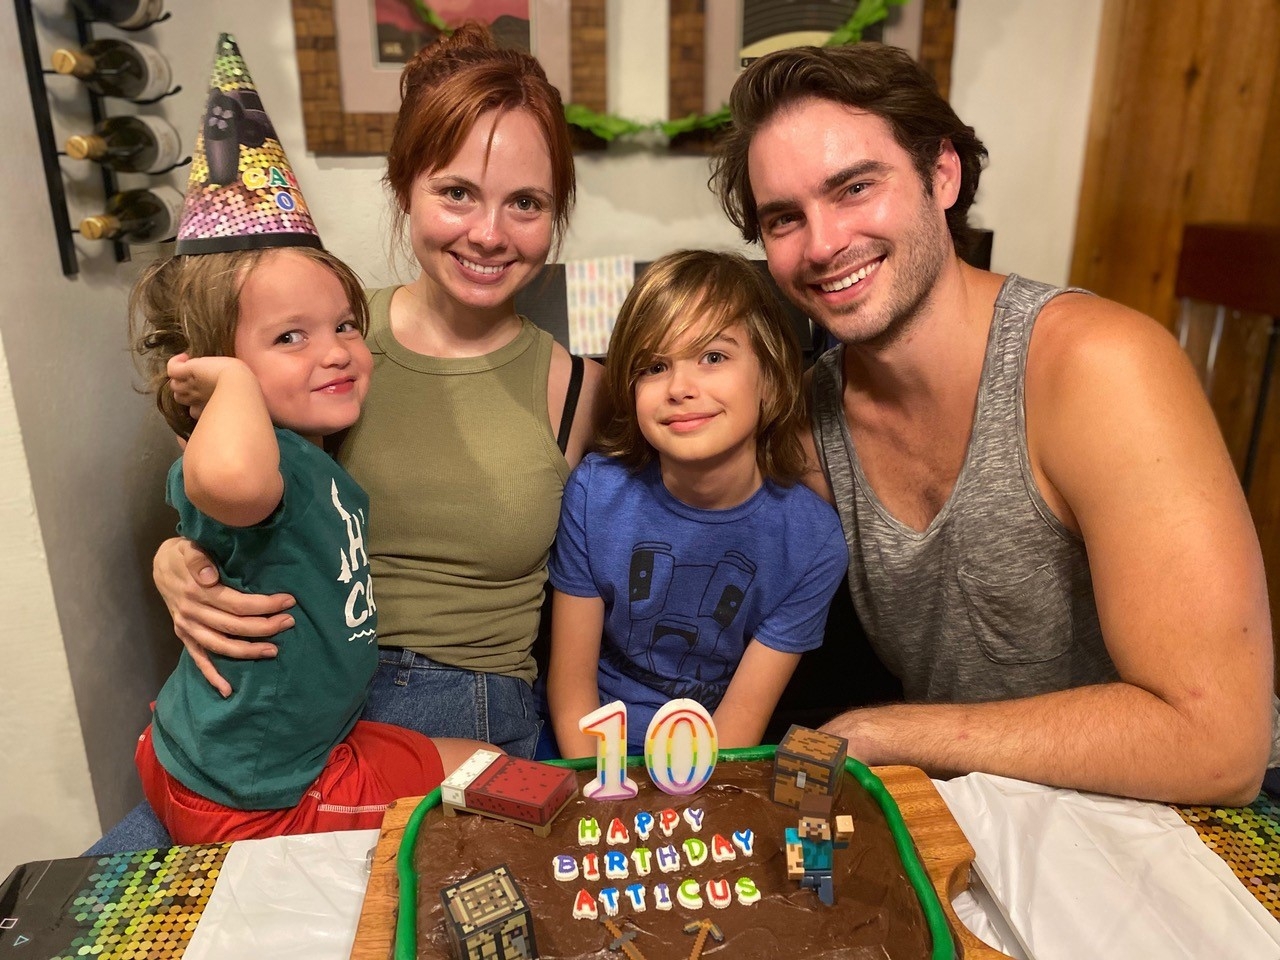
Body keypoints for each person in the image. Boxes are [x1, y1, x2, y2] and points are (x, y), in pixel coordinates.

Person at [711, 42, 1277, 806]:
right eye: (785, 218)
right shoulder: (811, 424)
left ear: (941, 174)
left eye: (853, 188)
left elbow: (1221, 747)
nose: (823, 244)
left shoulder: (1101, 368)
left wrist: (885, 735)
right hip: (988, 812)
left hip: (1201, 826)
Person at [92, 24, 597, 854]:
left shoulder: (580, 384)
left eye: (527, 203)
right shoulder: (326, 335)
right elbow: (222, 483)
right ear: (406, 189)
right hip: (278, 695)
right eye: (458, 192)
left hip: (461, 702)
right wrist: (177, 563)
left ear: (555, 215)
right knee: (84, 913)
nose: (490, 234)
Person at [131, 244, 483, 842]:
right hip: (258, 795)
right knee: (484, 782)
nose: (336, 351)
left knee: (479, 758)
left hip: (270, 745)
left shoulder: (302, 455)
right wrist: (232, 384)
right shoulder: (263, 465)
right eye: (290, 337)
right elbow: (233, 482)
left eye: (344, 325)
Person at [546, 251, 847, 757]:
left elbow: (741, 723)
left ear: (769, 378)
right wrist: (601, 787)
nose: (681, 388)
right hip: (591, 750)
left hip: (710, 762)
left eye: (713, 357)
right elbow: (571, 688)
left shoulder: (813, 543)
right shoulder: (594, 494)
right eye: (655, 366)